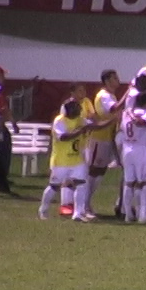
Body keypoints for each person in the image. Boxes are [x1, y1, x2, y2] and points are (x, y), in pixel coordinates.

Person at [39, 99, 115, 222]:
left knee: (82, 184)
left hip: (77, 160)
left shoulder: (81, 120)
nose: (80, 109)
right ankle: (43, 209)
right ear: (69, 109)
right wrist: (80, 130)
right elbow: (64, 137)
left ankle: (78, 213)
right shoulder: (60, 121)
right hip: (61, 161)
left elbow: (95, 126)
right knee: (54, 186)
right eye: (77, 107)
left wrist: (112, 120)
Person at [86, 69, 125, 216]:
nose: (118, 80)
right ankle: (84, 204)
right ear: (107, 80)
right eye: (115, 78)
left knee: (100, 171)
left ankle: (87, 203)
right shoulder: (104, 96)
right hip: (99, 137)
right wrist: (127, 94)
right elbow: (114, 108)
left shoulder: (111, 95)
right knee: (94, 171)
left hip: (108, 136)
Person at [58, 83, 96, 216]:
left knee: (81, 176)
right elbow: (67, 123)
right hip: (70, 146)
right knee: (69, 176)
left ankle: (81, 206)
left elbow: (92, 117)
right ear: (72, 92)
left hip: (84, 143)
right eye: (79, 91)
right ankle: (66, 204)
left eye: (84, 90)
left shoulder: (87, 102)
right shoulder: (67, 106)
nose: (83, 93)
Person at [119, 91, 146, 223]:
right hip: (141, 149)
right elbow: (144, 124)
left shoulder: (125, 114)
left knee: (129, 182)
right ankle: (142, 214)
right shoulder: (144, 114)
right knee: (143, 182)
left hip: (127, 148)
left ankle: (128, 214)